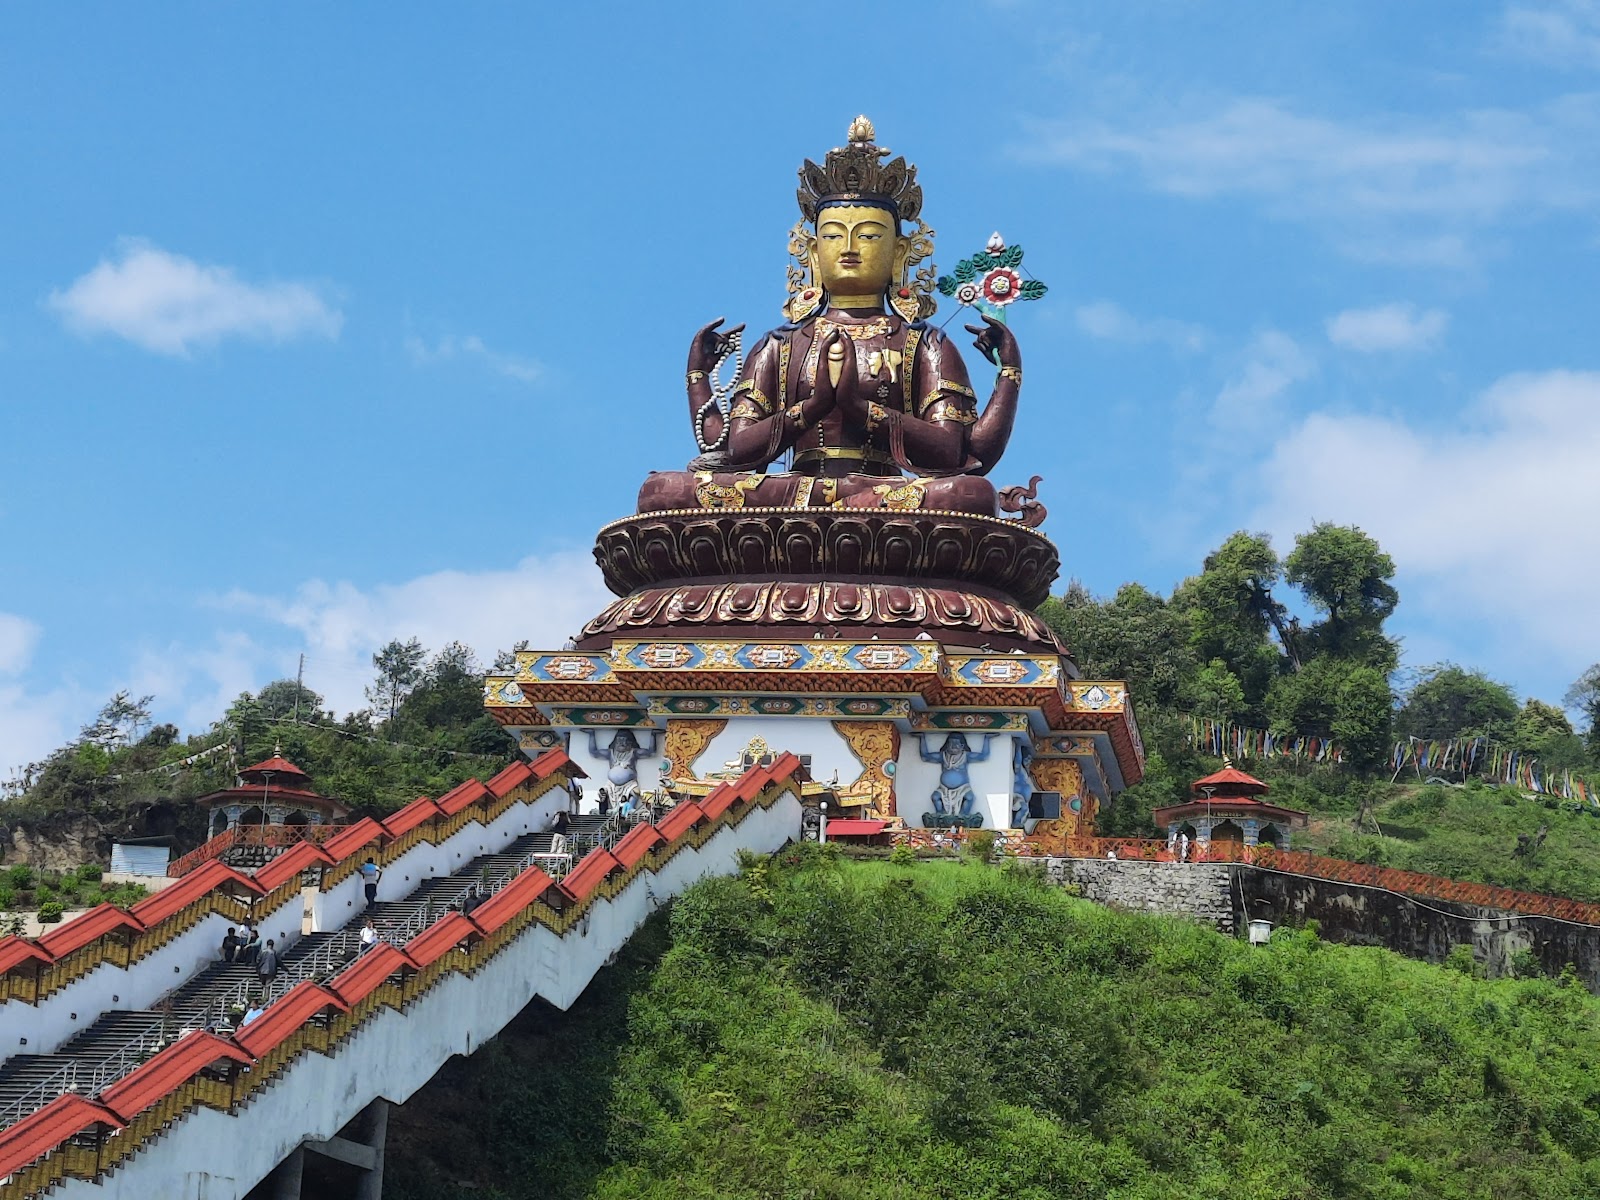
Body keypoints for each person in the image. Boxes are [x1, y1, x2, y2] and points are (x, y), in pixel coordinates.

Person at [637, 118, 1022, 519]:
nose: (850, 248)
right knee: (662, 490)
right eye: (835, 235)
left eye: (870, 236)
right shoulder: (781, 345)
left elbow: (954, 452)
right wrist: (703, 381)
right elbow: (733, 450)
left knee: (969, 496)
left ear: (900, 254)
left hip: (885, 494)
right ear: (812, 252)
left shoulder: (922, 344)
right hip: (792, 493)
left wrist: (1008, 373)